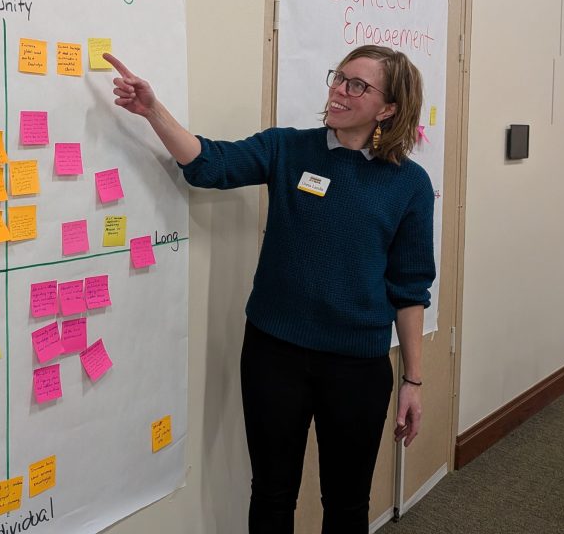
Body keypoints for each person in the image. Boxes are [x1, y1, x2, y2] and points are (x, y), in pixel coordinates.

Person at [103, 45, 435, 534]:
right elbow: (210, 164)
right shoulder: (289, 148)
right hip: (273, 354)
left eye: (358, 85)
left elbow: (409, 289)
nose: (339, 90)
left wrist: (413, 380)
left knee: (346, 503)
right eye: (339, 77)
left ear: (388, 108)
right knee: (272, 493)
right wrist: (153, 110)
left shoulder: (409, 184)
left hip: (355, 368)